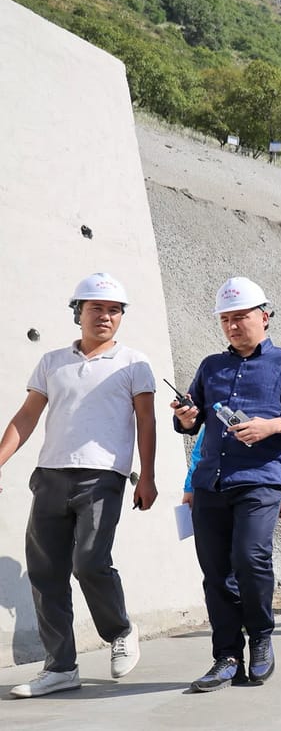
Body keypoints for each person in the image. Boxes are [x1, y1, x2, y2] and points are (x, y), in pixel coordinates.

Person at [2, 274, 157, 699]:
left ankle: (120, 629)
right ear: (78, 312)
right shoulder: (52, 362)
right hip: (50, 476)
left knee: (89, 561)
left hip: (102, 477)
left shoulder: (134, 363)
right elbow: (26, 416)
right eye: (96, 308)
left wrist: (147, 475)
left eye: (114, 310)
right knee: (45, 573)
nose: (105, 316)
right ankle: (60, 668)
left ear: (121, 316)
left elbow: (146, 421)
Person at [173, 276, 281, 692]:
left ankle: (259, 638)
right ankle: (226, 656)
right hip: (211, 481)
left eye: (240, 317)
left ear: (265, 316)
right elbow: (191, 420)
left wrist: (272, 425)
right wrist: (185, 417)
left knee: (250, 556)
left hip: (261, 479)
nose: (233, 326)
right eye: (225, 319)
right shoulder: (210, 367)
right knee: (215, 571)